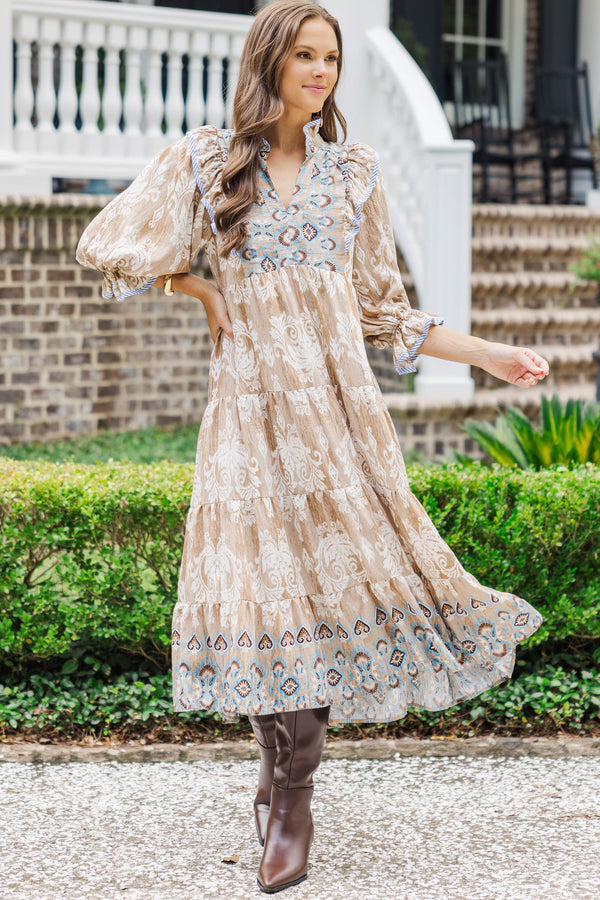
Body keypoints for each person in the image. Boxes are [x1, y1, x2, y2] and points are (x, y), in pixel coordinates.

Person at [76, 1, 549, 893]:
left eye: (330, 57)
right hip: (248, 415)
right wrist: (201, 290)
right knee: (265, 597)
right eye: (304, 54)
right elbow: (112, 244)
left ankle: (291, 798)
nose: (322, 70)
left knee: (327, 593)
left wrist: (488, 354)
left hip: (337, 418)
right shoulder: (208, 160)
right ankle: (280, 786)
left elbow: (383, 311)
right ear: (271, 62)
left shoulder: (355, 174)